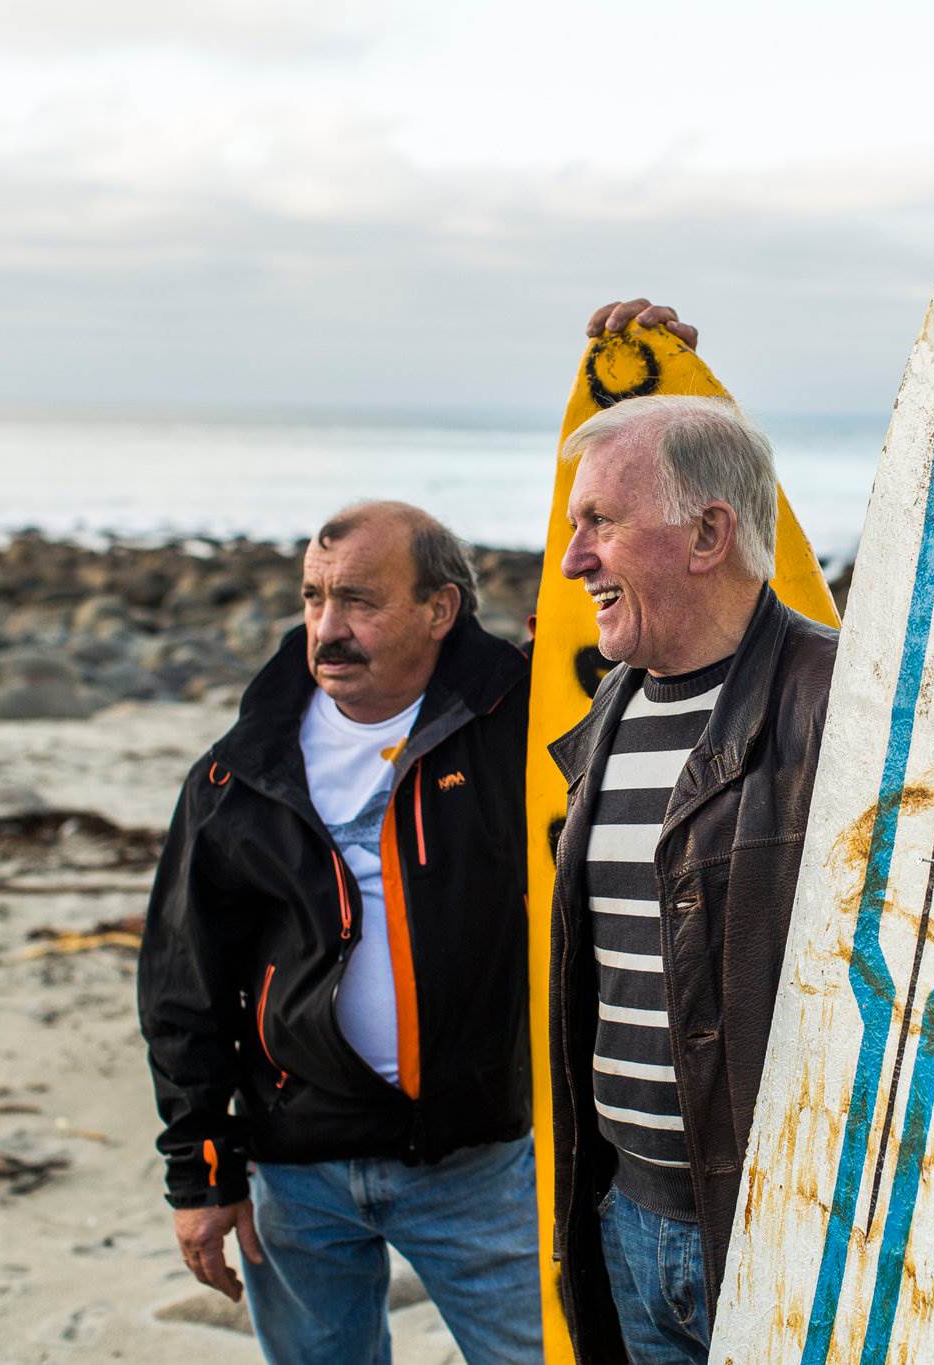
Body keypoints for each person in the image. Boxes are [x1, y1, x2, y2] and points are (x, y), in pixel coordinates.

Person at [545, 310, 934, 1365]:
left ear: (706, 535)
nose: (570, 560)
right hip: (620, 1218)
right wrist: (647, 356)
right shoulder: (604, 713)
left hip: (792, 1226)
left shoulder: (862, 708)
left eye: (599, 524)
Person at [137, 501, 542, 1365]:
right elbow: (184, 984)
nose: (327, 628)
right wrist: (202, 1171)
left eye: (358, 600)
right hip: (297, 1168)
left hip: (479, 1164)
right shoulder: (239, 770)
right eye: (313, 597)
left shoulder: (520, 727)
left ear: (441, 608)